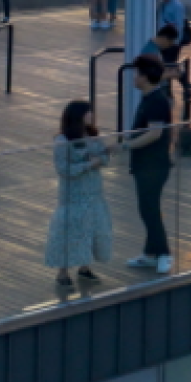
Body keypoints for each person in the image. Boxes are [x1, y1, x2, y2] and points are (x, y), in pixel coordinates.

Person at [45, 99, 114, 287]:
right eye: (88, 112)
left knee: (90, 228)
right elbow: (63, 169)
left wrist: (99, 159)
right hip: (73, 196)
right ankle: (62, 273)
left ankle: (85, 267)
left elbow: (105, 157)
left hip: (94, 193)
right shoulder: (63, 141)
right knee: (69, 231)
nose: (92, 115)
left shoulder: (93, 136)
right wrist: (89, 164)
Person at [118, 55, 175, 275]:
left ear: (144, 76)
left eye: (136, 73)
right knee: (146, 209)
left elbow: (154, 134)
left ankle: (163, 254)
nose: (133, 77)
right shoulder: (148, 97)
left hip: (154, 165)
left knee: (150, 209)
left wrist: (125, 146)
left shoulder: (156, 101)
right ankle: (151, 253)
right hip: (144, 164)